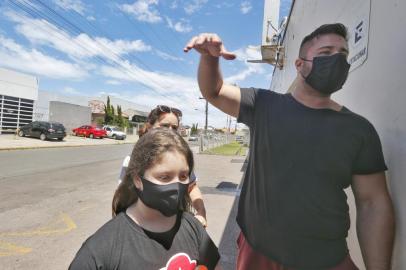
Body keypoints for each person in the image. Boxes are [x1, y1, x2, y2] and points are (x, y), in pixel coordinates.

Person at [184, 23, 395, 269]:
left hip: (326, 259)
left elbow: (373, 204)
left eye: (343, 54)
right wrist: (210, 59)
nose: (336, 60)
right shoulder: (263, 104)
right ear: (299, 64)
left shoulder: (359, 130)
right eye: (326, 52)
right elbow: (214, 91)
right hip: (258, 253)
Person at [69, 129, 221, 270]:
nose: (177, 186)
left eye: (183, 176)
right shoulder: (101, 250)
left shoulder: (192, 227)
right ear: (137, 180)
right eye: (164, 177)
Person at [118, 105, 208, 227]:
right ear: (149, 127)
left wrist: (201, 212)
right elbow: (122, 198)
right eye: (164, 126)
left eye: (174, 127)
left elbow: (192, 187)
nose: (170, 131)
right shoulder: (132, 161)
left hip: (176, 226)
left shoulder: (181, 159)